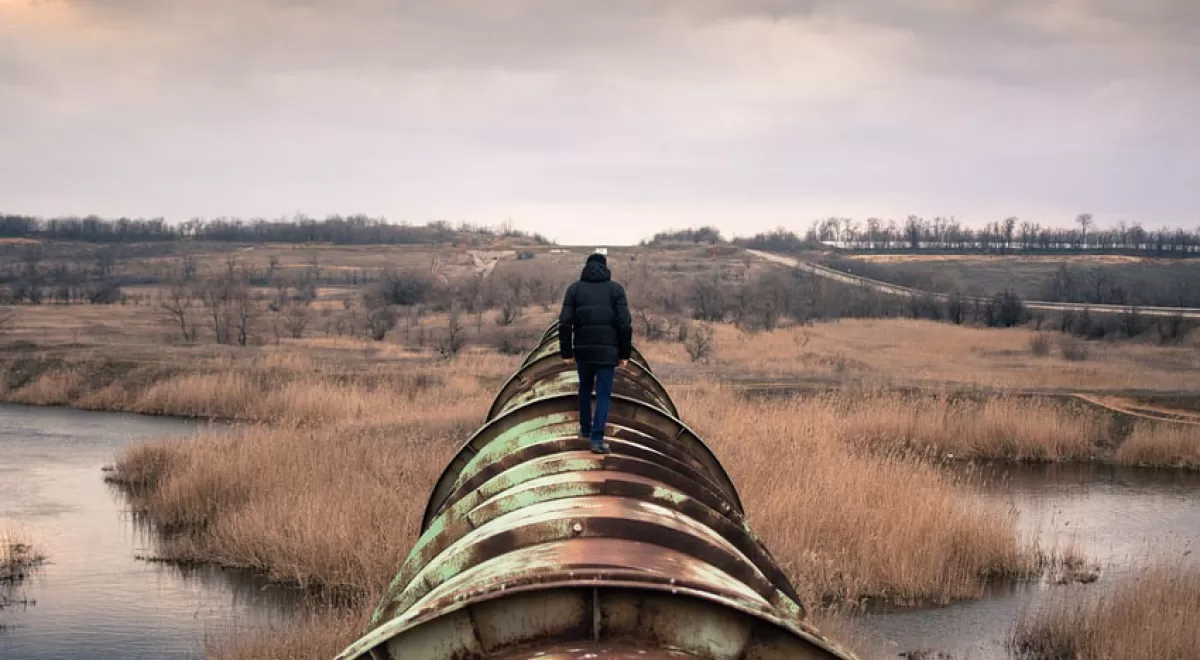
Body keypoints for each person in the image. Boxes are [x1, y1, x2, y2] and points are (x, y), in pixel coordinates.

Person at [558, 252, 633, 454]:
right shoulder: (616, 290)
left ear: (586, 267)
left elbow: (564, 323)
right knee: (603, 395)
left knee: (584, 389)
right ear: (605, 268)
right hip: (608, 353)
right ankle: (597, 440)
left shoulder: (574, 290)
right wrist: (625, 354)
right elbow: (625, 324)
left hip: (583, 351)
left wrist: (566, 352)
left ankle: (584, 429)